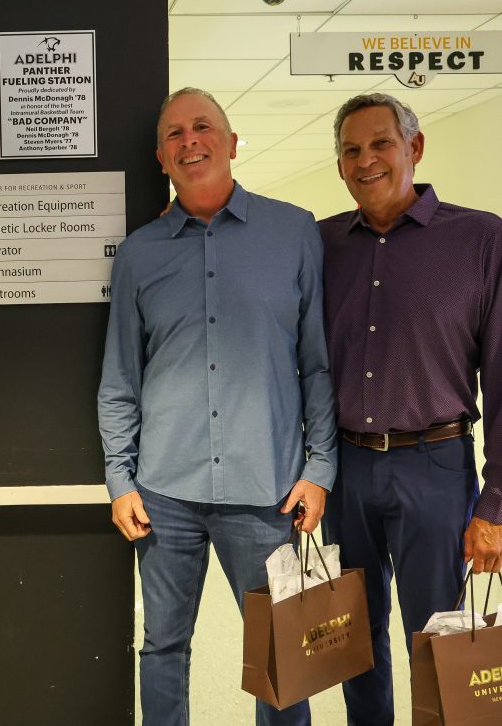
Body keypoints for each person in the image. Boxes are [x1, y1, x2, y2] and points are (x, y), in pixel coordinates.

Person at [98, 88, 337, 726]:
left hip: (267, 491)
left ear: (232, 143)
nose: (190, 141)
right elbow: (120, 377)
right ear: (160, 157)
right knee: (163, 650)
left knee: (282, 654)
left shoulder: (293, 232)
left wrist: (320, 469)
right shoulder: (140, 254)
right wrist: (120, 479)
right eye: (174, 133)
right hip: (164, 493)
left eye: (203, 127)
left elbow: (317, 362)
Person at [320, 92, 502, 725]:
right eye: (350, 149)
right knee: (354, 640)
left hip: (436, 464)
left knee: (439, 638)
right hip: (346, 470)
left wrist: (495, 502)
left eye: (380, 144)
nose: (364, 160)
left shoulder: (481, 239)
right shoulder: (321, 245)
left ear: (414, 149)